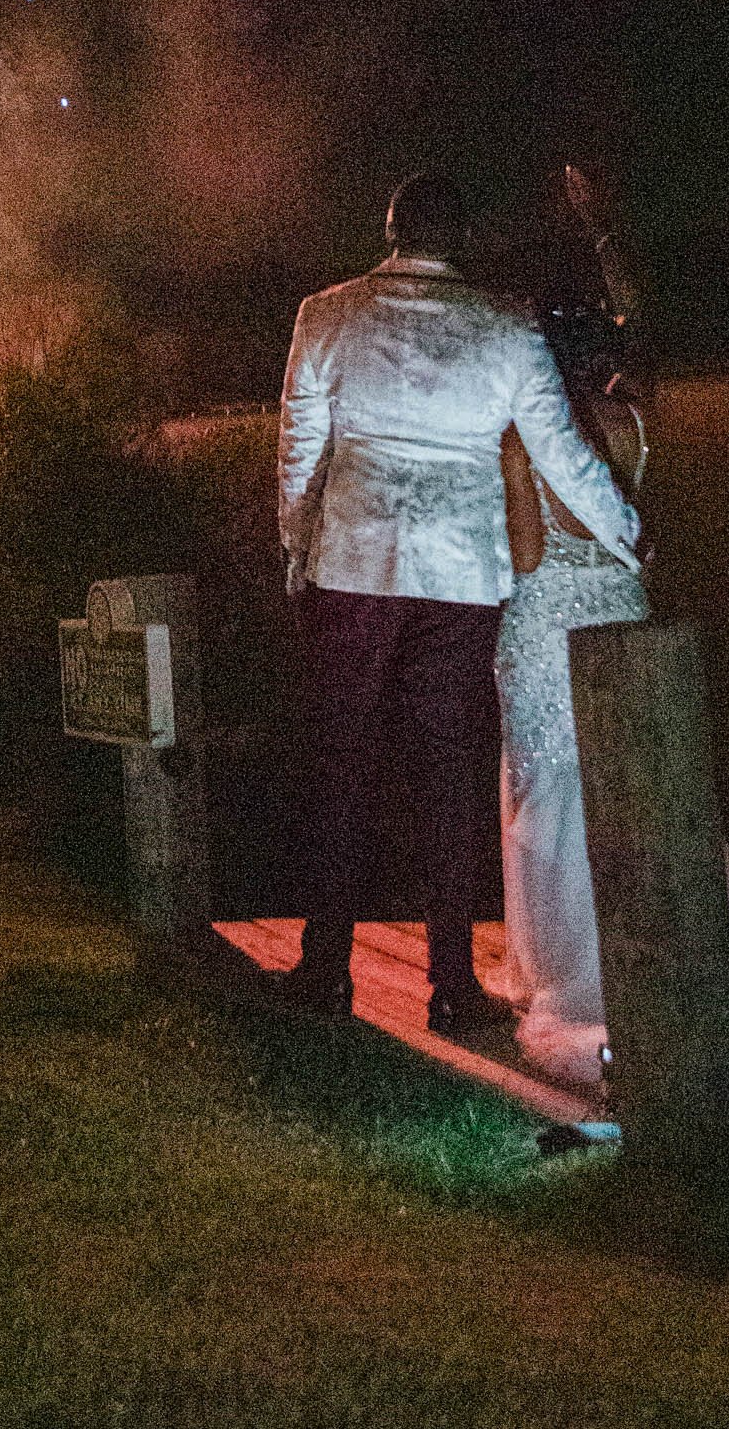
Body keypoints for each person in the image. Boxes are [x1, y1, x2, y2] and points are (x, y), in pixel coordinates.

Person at [488, 166, 729, 1092]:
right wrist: (602, 231)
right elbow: (636, 326)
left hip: (544, 628)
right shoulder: (631, 417)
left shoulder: (517, 438)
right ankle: (685, 954)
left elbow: (528, 555)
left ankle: (581, 978)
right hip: (624, 607)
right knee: (636, 784)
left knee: (553, 797)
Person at [274, 168, 641, 1035]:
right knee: (450, 779)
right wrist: (626, 530)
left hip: (354, 572)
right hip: (461, 583)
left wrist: (296, 545)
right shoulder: (508, 327)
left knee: (341, 770)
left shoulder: (325, 315)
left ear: (391, 229)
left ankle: (325, 971)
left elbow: (298, 451)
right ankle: (450, 987)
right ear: (461, 239)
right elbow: (561, 457)